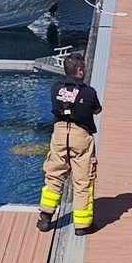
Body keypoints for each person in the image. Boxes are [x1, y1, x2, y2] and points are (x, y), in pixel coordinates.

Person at [37, 52, 102, 236]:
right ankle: (82, 225)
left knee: (54, 175)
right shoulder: (88, 92)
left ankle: (45, 217)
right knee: (82, 181)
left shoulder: (55, 88)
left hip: (59, 133)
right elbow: (96, 109)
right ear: (80, 71)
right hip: (80, 134)